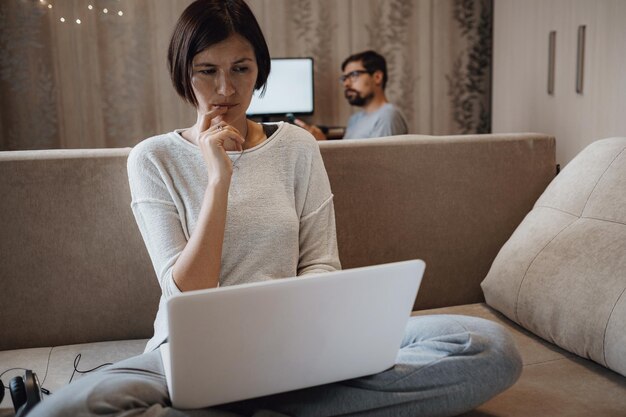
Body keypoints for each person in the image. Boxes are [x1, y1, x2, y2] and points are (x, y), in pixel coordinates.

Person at [29, 1, 521, 416]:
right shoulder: (153, 158)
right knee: (63, 410)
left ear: (259, 69)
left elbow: (322, 264)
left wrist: (303, 345)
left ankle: (258, 399)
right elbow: (188, 293)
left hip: (297, 348)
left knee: (486, 346)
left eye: (241, 69)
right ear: (184, 72)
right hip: (188, 355)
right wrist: (218, 179)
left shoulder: (296, 147)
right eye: (208, 71)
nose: (226, 90)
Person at [296, 50, 409, 140]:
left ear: (377, 77)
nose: (346, 83)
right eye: (345, 78)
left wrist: (323, 145)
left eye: (354, 75)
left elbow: (379, 166)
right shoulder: (355, 119)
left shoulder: (387, 116)